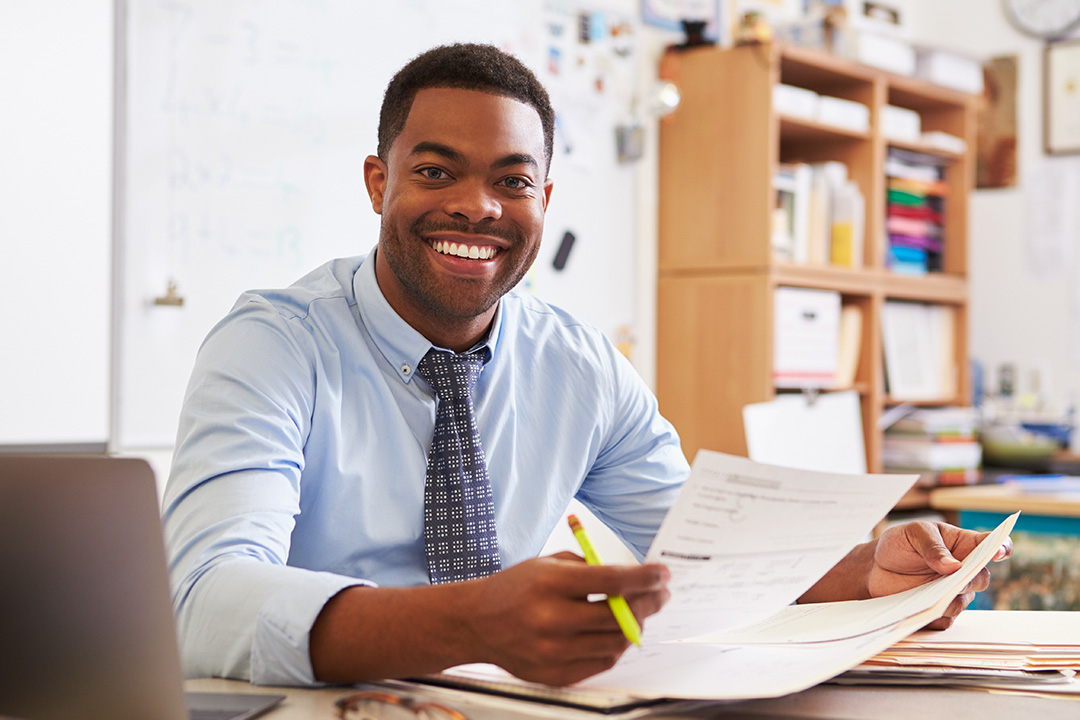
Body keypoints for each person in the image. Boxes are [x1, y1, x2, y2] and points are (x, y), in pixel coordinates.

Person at [162, 43, 1010, 689]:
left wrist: (869, 568)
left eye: (513, 181)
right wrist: (466, 624)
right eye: (434, 171)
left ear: (545, 203)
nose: (477, 205)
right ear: (378, 183)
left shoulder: (578, 364)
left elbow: (703, 557)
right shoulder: (273, 344)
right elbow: (202, 600)